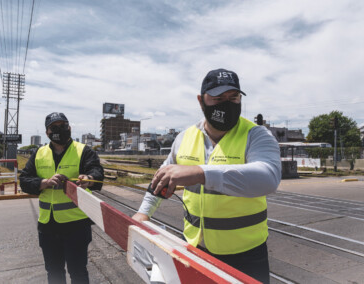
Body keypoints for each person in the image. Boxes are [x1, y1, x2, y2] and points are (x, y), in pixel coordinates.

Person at [132, 68, 281, 283]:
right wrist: (143, 214)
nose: (227, 104)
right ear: (201, 101)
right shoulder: (184, 138)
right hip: (193, 248)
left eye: (233, 97)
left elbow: (268, 177)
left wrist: (200, 173)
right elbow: (160, 179)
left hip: (246, 254)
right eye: (218, 98)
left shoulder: (256, 135)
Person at [20, 112, 104, 284]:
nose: (59, 129)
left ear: (69, 127)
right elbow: (24, 180)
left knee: (78, 272)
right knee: (54, 272)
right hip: (47, 225)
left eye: (63, 125)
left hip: (76, 225)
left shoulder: (83, 151)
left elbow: (97, 173)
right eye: (54, 127)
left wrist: (87, 180)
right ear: (47, 132)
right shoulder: (39, 153)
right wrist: (44, 182)